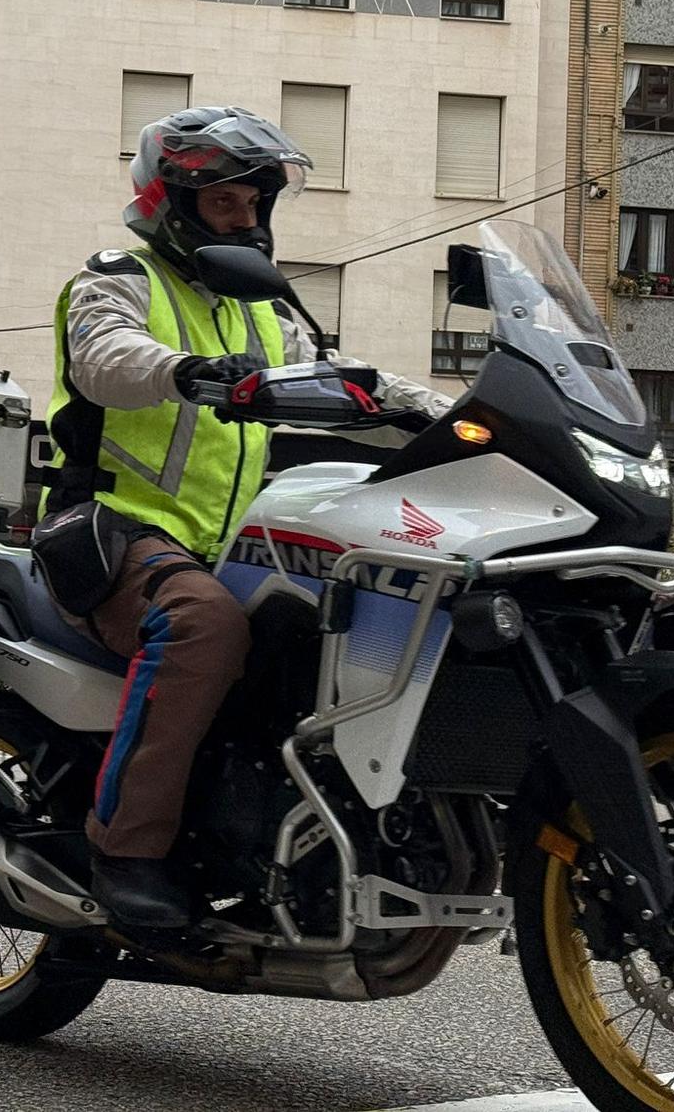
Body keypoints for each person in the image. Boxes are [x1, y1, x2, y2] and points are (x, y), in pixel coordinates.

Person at [40, 107, 448, 933]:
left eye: (257, 203)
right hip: (114, 529)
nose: (249, 220)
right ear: (174, 202)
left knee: (351, 622)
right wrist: (189, 371)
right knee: (204, 627)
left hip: (230, 544)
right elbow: (106, 357)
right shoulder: (116, 280)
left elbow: (339, 380)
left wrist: (453, 415)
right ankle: (126, 849)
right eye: (228, 204)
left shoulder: (263, 307)